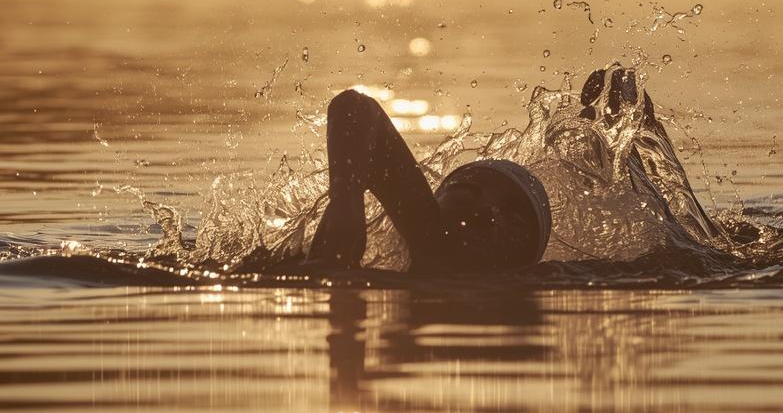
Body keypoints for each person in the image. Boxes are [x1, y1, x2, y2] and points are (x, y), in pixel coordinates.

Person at [309, 65, 725, 273]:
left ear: (526, 258)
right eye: (474, 191)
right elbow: (354, 108)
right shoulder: (430, 236)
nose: (490, 212)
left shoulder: (519, 281)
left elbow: (689, 264)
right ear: (439, 199)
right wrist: (347, 203)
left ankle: (643, 153)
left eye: (516, 219)